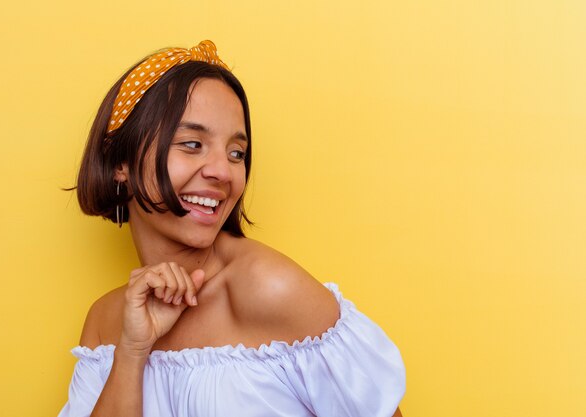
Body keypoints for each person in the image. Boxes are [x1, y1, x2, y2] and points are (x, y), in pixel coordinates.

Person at [58, 40, 405, 417]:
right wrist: (132, 353)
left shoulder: (271, 290)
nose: (223, 172)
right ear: (119, 163)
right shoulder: (106, 323)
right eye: (192, 144)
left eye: (236, 153)